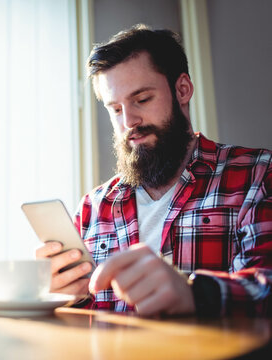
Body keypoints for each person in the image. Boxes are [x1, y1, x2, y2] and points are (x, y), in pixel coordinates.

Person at [36, 24, 271, 317]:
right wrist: (67, 298)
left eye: (142, 99)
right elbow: (90, 318)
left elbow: (267, 285)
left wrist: (195, 294)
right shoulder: (92, 209)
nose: (129, 121)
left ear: (182, 90)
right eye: (116, 109)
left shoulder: (257, 175)